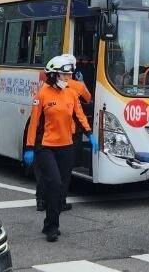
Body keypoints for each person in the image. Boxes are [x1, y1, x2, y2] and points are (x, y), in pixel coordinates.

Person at [24, 54, 91, 242]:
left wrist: (90, 133)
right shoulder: (42, 94)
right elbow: (34, 124)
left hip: (66, 146)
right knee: (53, 183)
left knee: (60, 189)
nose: (67, 79)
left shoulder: (71, 92)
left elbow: (79, 115)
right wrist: (30, 147)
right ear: (53, 75)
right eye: (63, 75)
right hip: (45, 147)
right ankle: (52, 228)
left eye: (68, 75)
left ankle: (51, 222)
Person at [34, 55, 91, 213]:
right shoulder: (76, 85)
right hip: (69, 134)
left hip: (52, 133)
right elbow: (88, 98)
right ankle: (60, 201)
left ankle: (41, 199)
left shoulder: (45, 84)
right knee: (63, 172)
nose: (68, 76)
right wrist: (82, 82)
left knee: (45, 171)